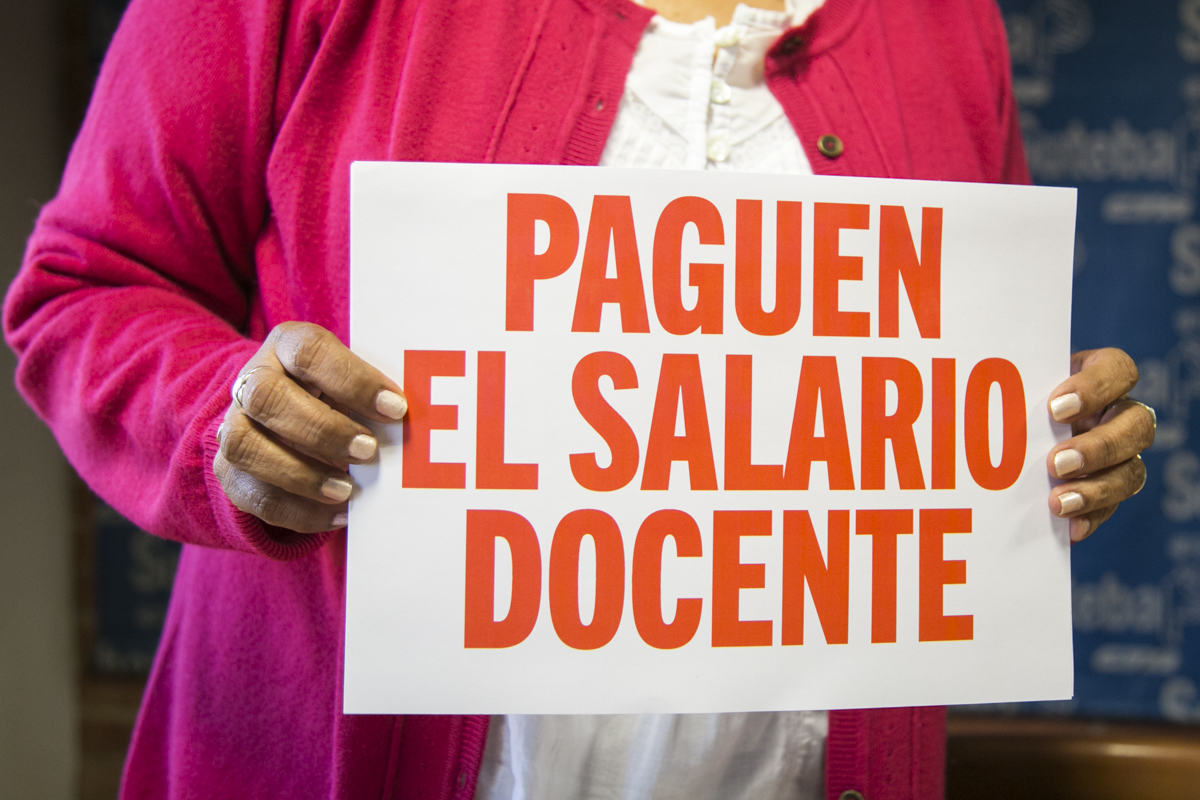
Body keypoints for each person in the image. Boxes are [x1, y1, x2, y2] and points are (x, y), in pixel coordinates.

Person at [2, 0, 1156, 797]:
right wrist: (226, 418)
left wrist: (1041, 444)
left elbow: (939, 376)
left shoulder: (946, 21)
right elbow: (87, 286)